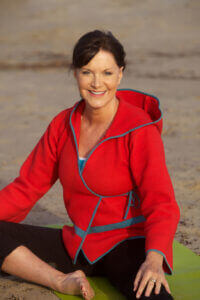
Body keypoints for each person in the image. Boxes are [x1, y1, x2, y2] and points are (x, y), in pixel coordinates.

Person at [0, 30, 180, 300]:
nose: (97, 83)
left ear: (120, 73)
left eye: (107, 73)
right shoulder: (62, 125)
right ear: (75, 73)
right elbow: (26, 188)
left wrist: (154, 259)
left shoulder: (139, 127)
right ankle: (61, 281)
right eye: (87, 72)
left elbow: (161, 201)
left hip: (128, 244)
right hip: (78, 244)